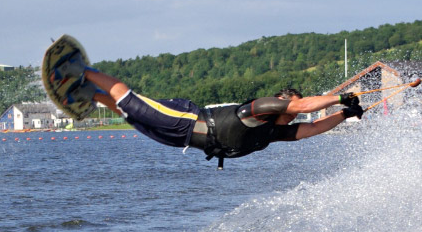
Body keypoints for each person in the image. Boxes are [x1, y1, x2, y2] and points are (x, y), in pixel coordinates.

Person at [49, 52, 364, 168]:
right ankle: (80, 69)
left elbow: (311, 129)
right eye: (292, 109)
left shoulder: (275, 131)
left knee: (133, 118)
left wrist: (345, 114)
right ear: (282, 103)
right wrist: (339, 98)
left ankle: (91, 95)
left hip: (184, 140)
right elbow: (307, 105)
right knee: (133, 101)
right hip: (187, 120)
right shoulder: (260, 109)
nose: (297, 115)